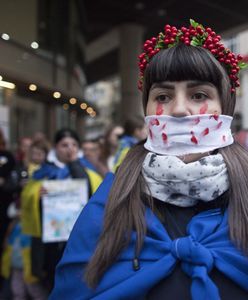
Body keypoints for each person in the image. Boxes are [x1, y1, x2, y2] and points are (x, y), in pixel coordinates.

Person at [50, 20, 248, 299]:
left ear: (225, 106)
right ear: (147, 111)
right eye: (163, 96)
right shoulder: (108, 203)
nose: (178, 109)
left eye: (199, 94)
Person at [21, 128, 102, 293]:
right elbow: (27, 196)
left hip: (78, 237)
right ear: (55, 147)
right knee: (50, 280)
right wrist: (38, 194)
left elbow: (91, 190)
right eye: (64, 145)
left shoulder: (86, 169)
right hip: (50, 240)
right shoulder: (44, 171)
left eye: (74, 144)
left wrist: (74, 163)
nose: (70, 148)